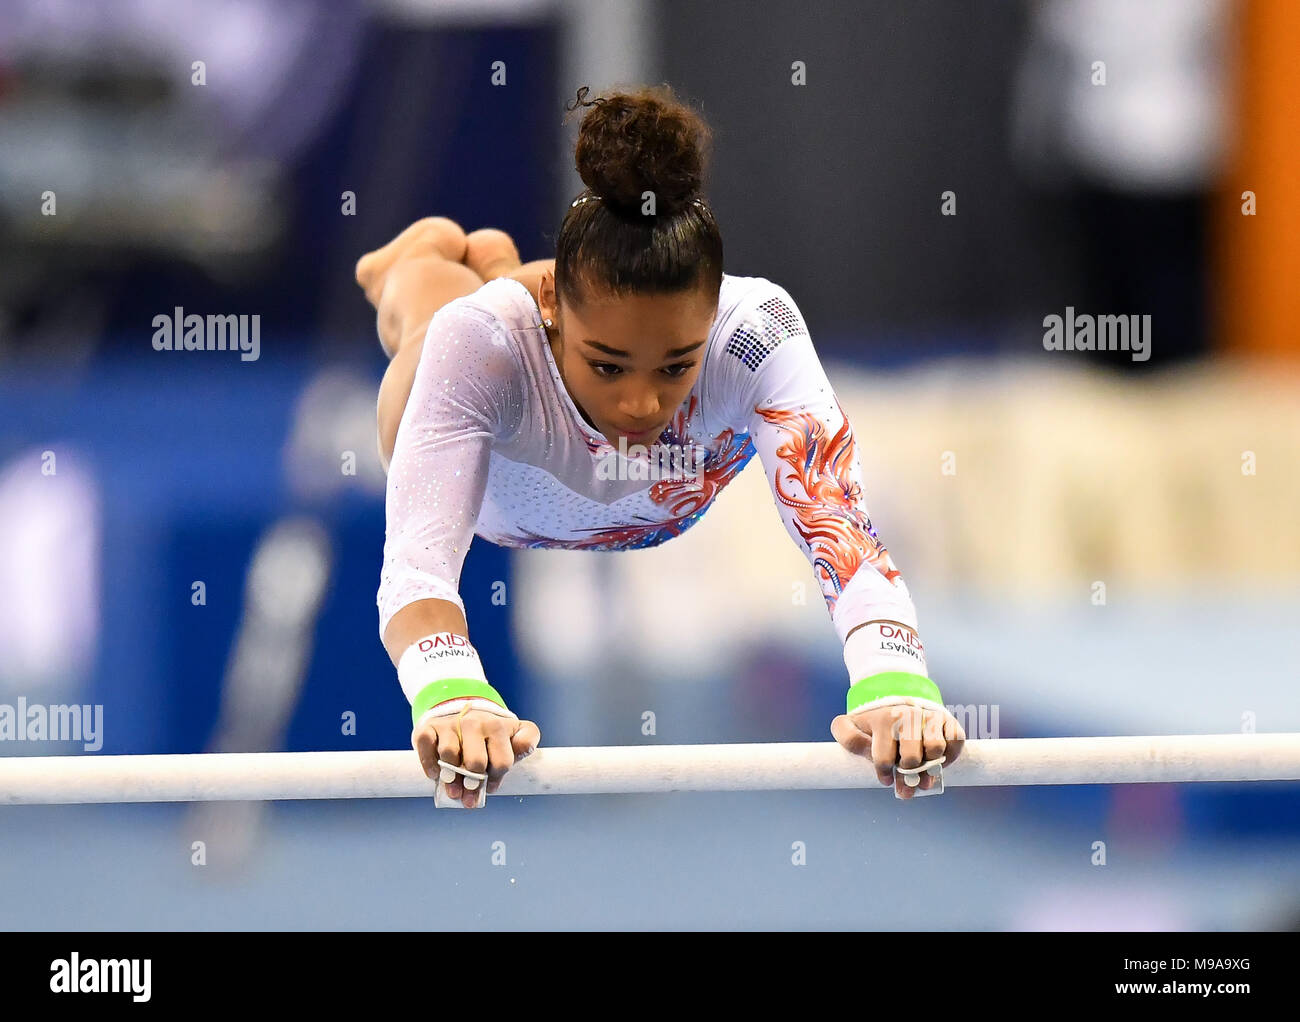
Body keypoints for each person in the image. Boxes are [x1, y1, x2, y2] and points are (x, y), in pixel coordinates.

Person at [356, 85, 964, 807]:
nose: (641, 404)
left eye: (677, 365)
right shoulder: (483, 344)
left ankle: (503, 273)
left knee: (499, 319)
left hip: (608, 437)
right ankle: (414, 265)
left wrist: (892, 678)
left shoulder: (755, 332)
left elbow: (840, 528)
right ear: (555, 306)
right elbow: (416, 570)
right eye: (609, 365)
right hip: (497, 482)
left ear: (712, 314)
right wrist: (452, 694)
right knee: (434, 322)